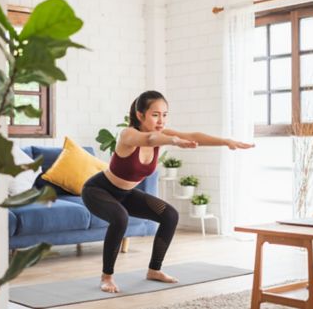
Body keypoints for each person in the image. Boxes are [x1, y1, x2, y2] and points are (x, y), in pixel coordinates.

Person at [81, 90, 255, 293]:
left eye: (165, 114)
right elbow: (149, 139)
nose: (161, 120)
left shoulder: (162, 134)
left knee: (170, 215)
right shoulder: (128, 134)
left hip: (126, 194)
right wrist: (173, 140)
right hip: (98, 190)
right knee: (120, 218)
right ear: (140, 115)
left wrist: (226, 141)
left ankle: (154, 270)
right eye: (155, 114)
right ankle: (107, 277)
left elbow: (193, 136)